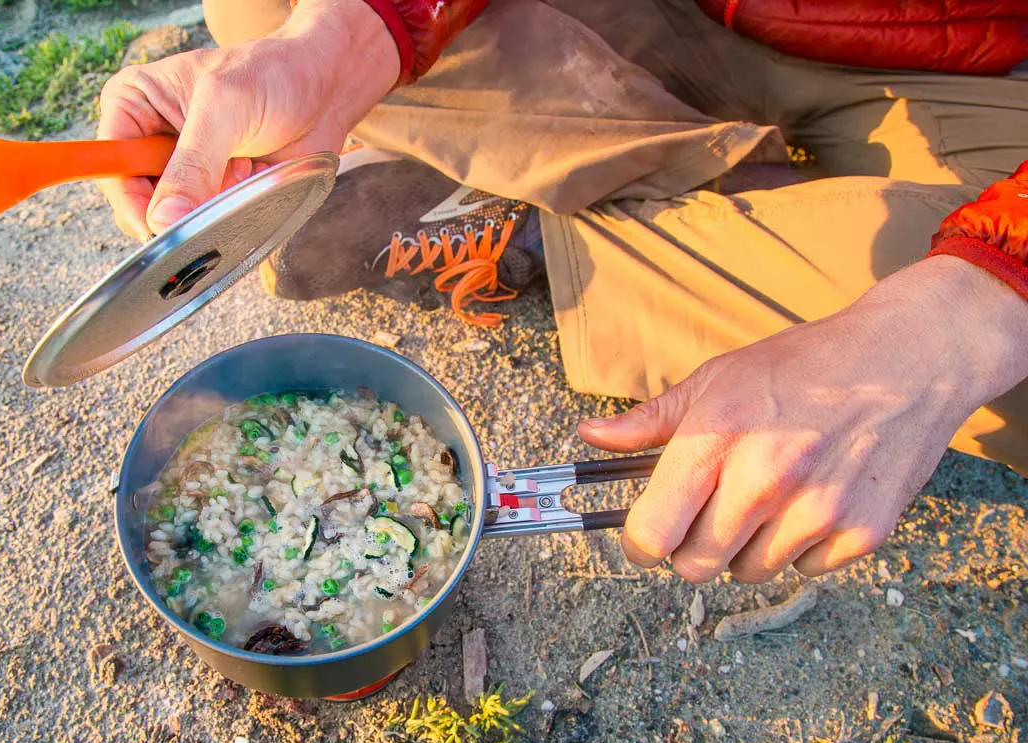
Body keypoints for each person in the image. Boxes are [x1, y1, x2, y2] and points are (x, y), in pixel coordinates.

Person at [95, 0, 1028, 584]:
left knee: (985, 343)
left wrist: (952, 323)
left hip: (977, 72)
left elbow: (962, 318)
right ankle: (690, 196)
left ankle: (540, 230)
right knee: (264, 15)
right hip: (683, 14)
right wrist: (359, 30)